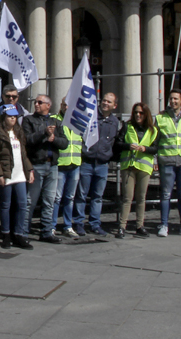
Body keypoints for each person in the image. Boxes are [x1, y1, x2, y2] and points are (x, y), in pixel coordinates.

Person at [22, 94, 67, 243]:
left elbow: (64, 143)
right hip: (36, 164)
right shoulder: (29, 120)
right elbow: (27, 140)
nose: (36, 104)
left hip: (52, 165)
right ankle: (24, 232)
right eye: (36, 102)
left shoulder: (55, 121)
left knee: (49, 200)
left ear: (48, 105)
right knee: (30, 201)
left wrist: (54, 139)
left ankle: (47, 231)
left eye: (40, 102)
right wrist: (44, 133)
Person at [73, 92, 119, 237]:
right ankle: (79, 223)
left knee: (98, 196)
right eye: (104, 100)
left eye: (109, 102)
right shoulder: (91, 117)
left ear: (114, 106)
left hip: (102, 164)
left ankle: (95, 224)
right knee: (82, 195)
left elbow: (113, 141)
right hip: (87, 161)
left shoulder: (115, 122)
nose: (105, 103)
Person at [0, 103, 35, 249]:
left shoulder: (18, 132)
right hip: (6, 174)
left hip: (20, 173)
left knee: (22, 204)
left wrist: (30, 170)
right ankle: (6, 234)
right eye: (10, 116)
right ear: (4, 117)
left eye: (15, 116)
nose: (13, 119)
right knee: (5, 205)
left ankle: (19, 234)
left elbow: (23, 154)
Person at [113, 103, 158, 239]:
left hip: (144, 167)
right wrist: (128, 146)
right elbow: (117, 143)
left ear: (146, 114)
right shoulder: (127, 126)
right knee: (127, 197)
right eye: (136, 112)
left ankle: (140, 226)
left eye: (141, 113)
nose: (138, 115)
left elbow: (156, 148)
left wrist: (145, 149)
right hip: (129, 166)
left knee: (141, 198)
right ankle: (122, 226)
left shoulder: (152, 130)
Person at [156, 89, 181, 237]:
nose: (173, 101)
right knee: (166, 194)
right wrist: (154, 159)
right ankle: (164, 225)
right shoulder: (161, 117)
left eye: (176, 99)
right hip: (167, 159)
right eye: (171, 98)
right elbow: (155, 139)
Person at [53, 100, 83, 238]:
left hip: (74, 163)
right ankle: (52, 226)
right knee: (56, 198)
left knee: (70, 197)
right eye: (64, 104)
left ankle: (68, 226)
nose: (66, 107)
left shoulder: (78, 122)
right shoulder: (55, 120)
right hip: (61, 163)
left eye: (69, 104)